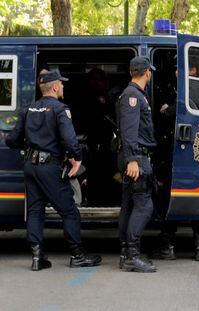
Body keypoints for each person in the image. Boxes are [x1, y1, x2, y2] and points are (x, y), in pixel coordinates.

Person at [6, 69, 101, 270]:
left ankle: (37, 257)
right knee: (69, 211)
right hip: (49, 167)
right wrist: (77, 158)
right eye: (62, 84)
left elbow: (12, 139)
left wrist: (28, 147)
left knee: (35, 210)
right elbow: (69, 139)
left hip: (30, 167)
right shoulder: (60, 109)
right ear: (55, 86)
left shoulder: (28, 109)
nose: (64, 87)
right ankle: (77, 255)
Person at [156, 63, 199, 261]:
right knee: (184, 197)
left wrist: (169, 110)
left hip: (191, 150)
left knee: (180, 197)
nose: (177, 70)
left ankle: (183, 246)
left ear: (194, 70)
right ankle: (192, 247)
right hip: (187, 152)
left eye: (183, 67)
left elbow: (178, 113)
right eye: (176, 67)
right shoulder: (178, 88)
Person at [116, 56, 157, 272]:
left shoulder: (131, 94)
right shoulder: (133, 96)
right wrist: (132, 159)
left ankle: (126, 253)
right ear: (147, 72)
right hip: (137, 158)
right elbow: (129, 131)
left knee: (130, 205)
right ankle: (132, 255)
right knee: (144, 205)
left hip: (134, 156)